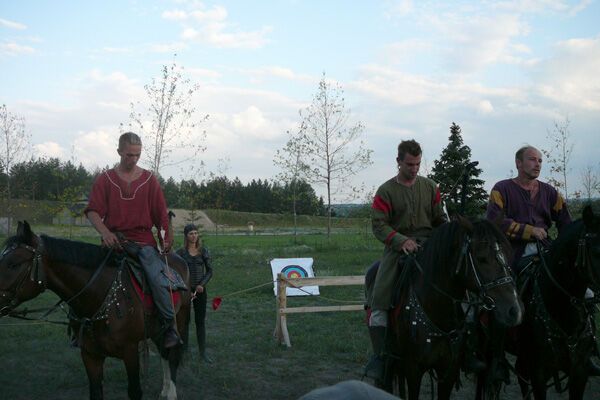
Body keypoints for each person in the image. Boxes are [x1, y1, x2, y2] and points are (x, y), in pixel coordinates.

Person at [486, 145, 600, 376]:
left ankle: (588, 349)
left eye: (540, 160)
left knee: (583, 294)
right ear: (518, 163)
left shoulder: (551, 192)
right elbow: (494, 222)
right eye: (532, 159)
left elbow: (567, 225)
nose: (538, 164)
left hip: (547, 251)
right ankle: (497, 356)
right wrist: (528, 230)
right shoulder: (501, 189)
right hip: (512, 254)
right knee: (502, 293)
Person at [84, 132, 181, 349]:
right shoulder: (106, 179)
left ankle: (168, 326)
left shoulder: (149, 180)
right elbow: (92, 211)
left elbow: (160, 214)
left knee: (157, 280)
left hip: (142, 244)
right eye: (129, 155)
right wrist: (105, 233)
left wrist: (166, 236)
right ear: (119, 152)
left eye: (137, 155)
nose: (134, 159)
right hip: (114, 242)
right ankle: (81, 327)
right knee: (87, 278)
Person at [365, 139, 448, 379]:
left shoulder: (431, 187)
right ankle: (380, 356)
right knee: (379, 303)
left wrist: (449, 231)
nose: (414, 169)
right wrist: (402, 241)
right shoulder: (385, 191)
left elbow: (438, 219)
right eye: (410, 164)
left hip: (429, 246)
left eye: (418, 164)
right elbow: (379, 225)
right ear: (399, 162)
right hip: (397, 249)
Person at [176, 223, 214, 363]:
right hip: (185, 291)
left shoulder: (203, 251)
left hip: (200, 290)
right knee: (185, 321)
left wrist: (201, 285)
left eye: (196, 233)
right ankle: (184, 351)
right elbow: (175, 273)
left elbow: (209, 271)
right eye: (191, 233)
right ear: (186, 235)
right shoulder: (180, 253)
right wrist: (184, 288)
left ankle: (202, 353)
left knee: (200, 321)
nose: (194, 236)